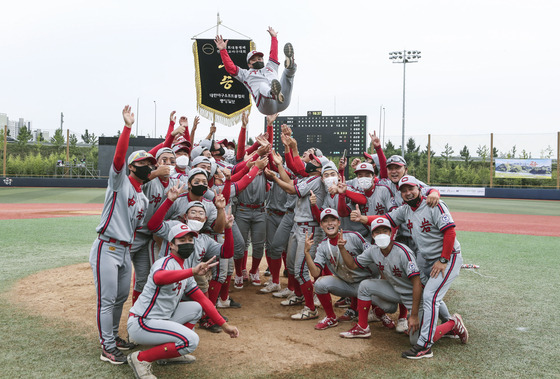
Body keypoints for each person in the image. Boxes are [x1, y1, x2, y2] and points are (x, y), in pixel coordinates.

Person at [351, 175, 468, 359]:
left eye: (410, 188)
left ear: (419, 188)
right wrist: (363, 218)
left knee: (430, 296)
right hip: (427, 258)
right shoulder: (405, 210)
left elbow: (450, 232)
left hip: (448, 257)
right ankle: (450, 324)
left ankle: (424, 346)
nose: (407, 192)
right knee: (429, 291)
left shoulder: (434, 204)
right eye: (403, 190)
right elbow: (385, 219)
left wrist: (443, 260)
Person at [127, 224, 239, 378]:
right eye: (182, 240)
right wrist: (193, 271)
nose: (187, 243)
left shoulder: (184, 266)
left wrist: (224, 325)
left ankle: (170, 353)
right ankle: (140, 358)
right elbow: (159, 277)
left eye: (190, 240)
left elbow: (203, 300)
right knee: (191, 340)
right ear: (171, 245)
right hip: (142, 322)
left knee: (196, 308)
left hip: (160, 319)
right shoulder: (164, 263)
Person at [89, 105, 154, 364]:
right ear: (131, 167)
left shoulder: (143, 198)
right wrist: (127, 127)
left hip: (125, 250)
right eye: (142, 163)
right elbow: (117, 159)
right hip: (107, 246)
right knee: (106, 300)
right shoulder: (120, 182)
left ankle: (113, 337)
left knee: (119, 298)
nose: (147, 166)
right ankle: (106, 347)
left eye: (149, 163)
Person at [337, 218, 422, 339]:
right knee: (365, 285)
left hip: (415, 297)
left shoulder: (403, 252)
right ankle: (362, 327)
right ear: (372, 235)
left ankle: (452, 323)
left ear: (391, 233)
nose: (381, 234)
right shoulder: (373, 250)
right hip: (396, 292)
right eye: (377, 232)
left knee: (417, 339)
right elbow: (352, 265)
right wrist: (341, 248)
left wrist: (413, 315)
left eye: (385, 231)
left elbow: (417, 283)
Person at [302, 209, 378, 330]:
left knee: (388, 306)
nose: (329, 223)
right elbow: (315, 272)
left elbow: (374, 254)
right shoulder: (322, 246)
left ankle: (380, 313)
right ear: (321, 225)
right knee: (320, 284)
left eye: (333, 220)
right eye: (325, 221)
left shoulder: (354, 236)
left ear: (339, 222)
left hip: (366, 284)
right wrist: (306, 252)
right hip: (347, 285)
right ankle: (331, 317)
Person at [214, 27, 296, 115]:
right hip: (266, 105)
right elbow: (230, 68)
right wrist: (223, 50)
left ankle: (290, 64)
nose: (258, 60)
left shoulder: (271, 66)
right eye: (254, 59)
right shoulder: (245, 74)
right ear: (249, 64)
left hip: (283, 100)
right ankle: (273, 92)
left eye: (260, 58)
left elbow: (273, 53)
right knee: (262, 85)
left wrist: (274, 38)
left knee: (287, 74)